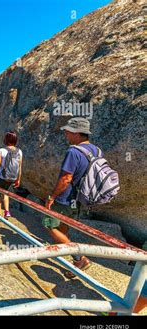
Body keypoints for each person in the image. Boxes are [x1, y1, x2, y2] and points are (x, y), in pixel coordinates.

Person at [43, 117, 100, 278]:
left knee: (49, 225)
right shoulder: (96, 151)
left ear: (77, 133)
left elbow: (66, 179)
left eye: (68, 131)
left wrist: (52, 196)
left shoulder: (73, 151)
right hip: (81, 199)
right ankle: (65, 252)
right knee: (64, 226)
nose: (66, 134)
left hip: (65, 199)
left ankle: (79, 258)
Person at [0, 131, 23, 220]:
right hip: (12, 178)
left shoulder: (1, 151)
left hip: (1, 177)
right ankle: (7, 212)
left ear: (6, 139)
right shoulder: (19, 152)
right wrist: (18, 180)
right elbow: (20, 167)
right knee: (5, 192)